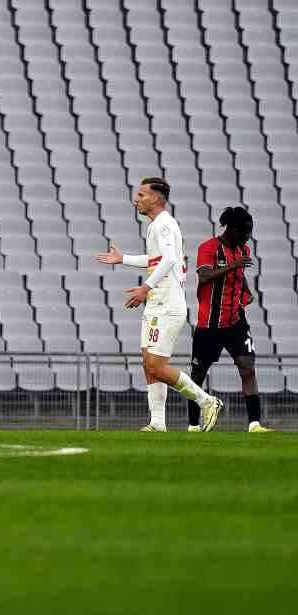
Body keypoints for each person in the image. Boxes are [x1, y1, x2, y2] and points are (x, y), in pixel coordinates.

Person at [96, 177, 223, 432]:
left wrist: (145, 288)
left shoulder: (164, 224)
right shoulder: (159, 225)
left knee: (156, 365)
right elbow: (158, 260)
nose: (137, 199)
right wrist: (124, 259)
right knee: (148, 362)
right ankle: (157, 423)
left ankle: (207, 401)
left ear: (155, 198)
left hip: (166, 304)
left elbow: (167, 261)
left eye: (142, 195)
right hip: (157, 304)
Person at [187, 206, 272, 433]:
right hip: (209, 324)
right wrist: (233, 266)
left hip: (235, 321)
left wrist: (246, 291)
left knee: (247, 366)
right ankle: (193, 425)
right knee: (197, 374)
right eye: (244, 232)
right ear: (232, 229)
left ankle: (254, 424)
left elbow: (239, 275)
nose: (248, 237)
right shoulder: (209, 248)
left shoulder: (242, 249)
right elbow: (204, 276)